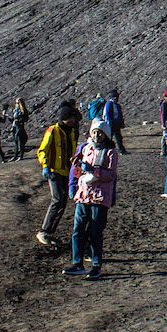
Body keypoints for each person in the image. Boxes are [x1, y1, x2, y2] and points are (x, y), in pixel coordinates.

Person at [63, 118, 118, 279]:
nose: (96, 135)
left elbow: (110, 175)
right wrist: (76, 179)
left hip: (99, 198)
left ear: (106, 135)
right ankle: (77, 263)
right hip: (84, 195)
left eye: (100, 133)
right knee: (78, 230)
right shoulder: (86, 149)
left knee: (95, 232)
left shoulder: (110, 153)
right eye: (94, 132)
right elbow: (78, 171)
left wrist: (93, 170)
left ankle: (96, 265)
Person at [35, 107, 76, 246]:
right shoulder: (52, 131)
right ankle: (44, 231)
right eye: (70, 118)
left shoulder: (71, 132)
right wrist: (45, 165)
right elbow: (42, 150)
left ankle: (49, 232)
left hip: (66, 171)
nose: (72, 121)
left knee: (63, 201)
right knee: (57, 199)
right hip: (54, 171)